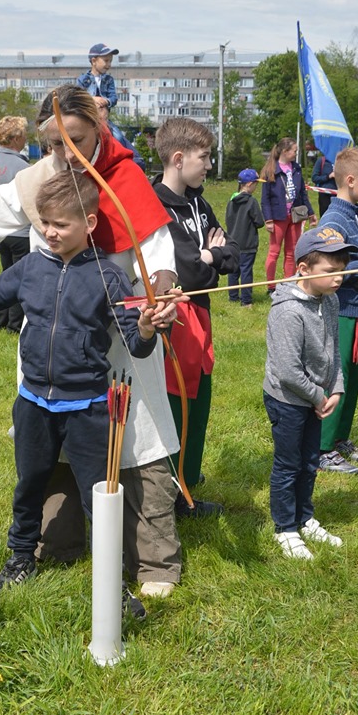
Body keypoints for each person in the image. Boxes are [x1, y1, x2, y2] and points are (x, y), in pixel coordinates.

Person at [0, 84, 183, 607]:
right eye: (52, 144)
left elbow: (155, 250)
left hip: (120, 336)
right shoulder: (42, 179)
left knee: (136, 447)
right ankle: (45, 547)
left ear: (100, 131)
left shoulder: (125, 178)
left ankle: (150, 559)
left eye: (78, 140)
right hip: (49, 364)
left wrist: (160, 298)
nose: (65, 155)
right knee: (48, 470)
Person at [152, 118, 240, 517]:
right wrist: (206, 257)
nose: (209, 165)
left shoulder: (198, 202)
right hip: (175, 322)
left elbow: (231, 254)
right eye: (204, 157)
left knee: (199, 401)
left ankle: (187, 480)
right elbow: (187, 271)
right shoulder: (156, 204)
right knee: (177, 406)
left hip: (201, 317)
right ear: (178, 157)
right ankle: (170, 495)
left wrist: (212, 255)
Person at [264, 227, 357, 558]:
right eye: (331, 271)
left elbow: (334, 349)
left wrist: (336, 388)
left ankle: (304, 518)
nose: (339, 278)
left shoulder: (329, 300)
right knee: (288, 464)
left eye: (343, 269)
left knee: (309, 462)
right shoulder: (288, 310)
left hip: (316, 397)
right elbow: (288, 372)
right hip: (288, 400)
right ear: (303, 269)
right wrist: (319, 397)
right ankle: (284, 528)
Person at [316, 148, 358, 473]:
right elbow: (327, 266)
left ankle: (340, 438)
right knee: (336, 377)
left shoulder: (353, 213)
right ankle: (322, 448)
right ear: (351, 180)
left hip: (356, 311)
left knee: (352, 377)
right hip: (341, 311)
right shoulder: (334, 218)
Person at [0, 116, 31, 333]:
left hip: (0, 230)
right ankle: (14, 325)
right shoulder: (22, 167)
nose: (26, 138)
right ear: (16, 138)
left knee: (5, 276)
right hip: (20, 232)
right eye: (24, 134)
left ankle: (0, 320)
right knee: (20, 279)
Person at [260, 137, 316, 293]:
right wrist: (268, 220)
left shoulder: (296, 168)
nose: (296, 153)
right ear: (285, 151)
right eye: (294, 151)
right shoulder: (271, 170)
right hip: (278, 217)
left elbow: (303, 194)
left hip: (295, 216)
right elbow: (265, 199)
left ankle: (288, 284)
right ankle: (271, 287)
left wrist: (310, 213)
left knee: (291, 252)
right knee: (274, 251)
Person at [225, 168, 265, 307]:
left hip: (233, 242)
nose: (256, 187)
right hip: (248, 243)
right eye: (256, 184)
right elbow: (260, 222)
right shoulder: (251, 202)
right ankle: (246, 300)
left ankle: (233, 296)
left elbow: (228, 220)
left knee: (233, 271)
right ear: (249, 184)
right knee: (246, 271)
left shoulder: (231, 201)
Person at [76, 43, 119, 110]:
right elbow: (78, 97)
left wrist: (106, 101)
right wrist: (92, 99)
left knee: (108, 121)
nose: (109, 64)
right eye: (106, 61)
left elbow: (113, 98)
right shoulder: (83, 79)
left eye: (110, 61)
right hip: (88, 114)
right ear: (94, 61)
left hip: (103, 115)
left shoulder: (109, 79)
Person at [311, 153, 337, 217]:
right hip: (325, 196)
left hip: (340, 195)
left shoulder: (342, 161)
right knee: (325, 217)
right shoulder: (322, 161)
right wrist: (328, 176)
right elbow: (314, 178)